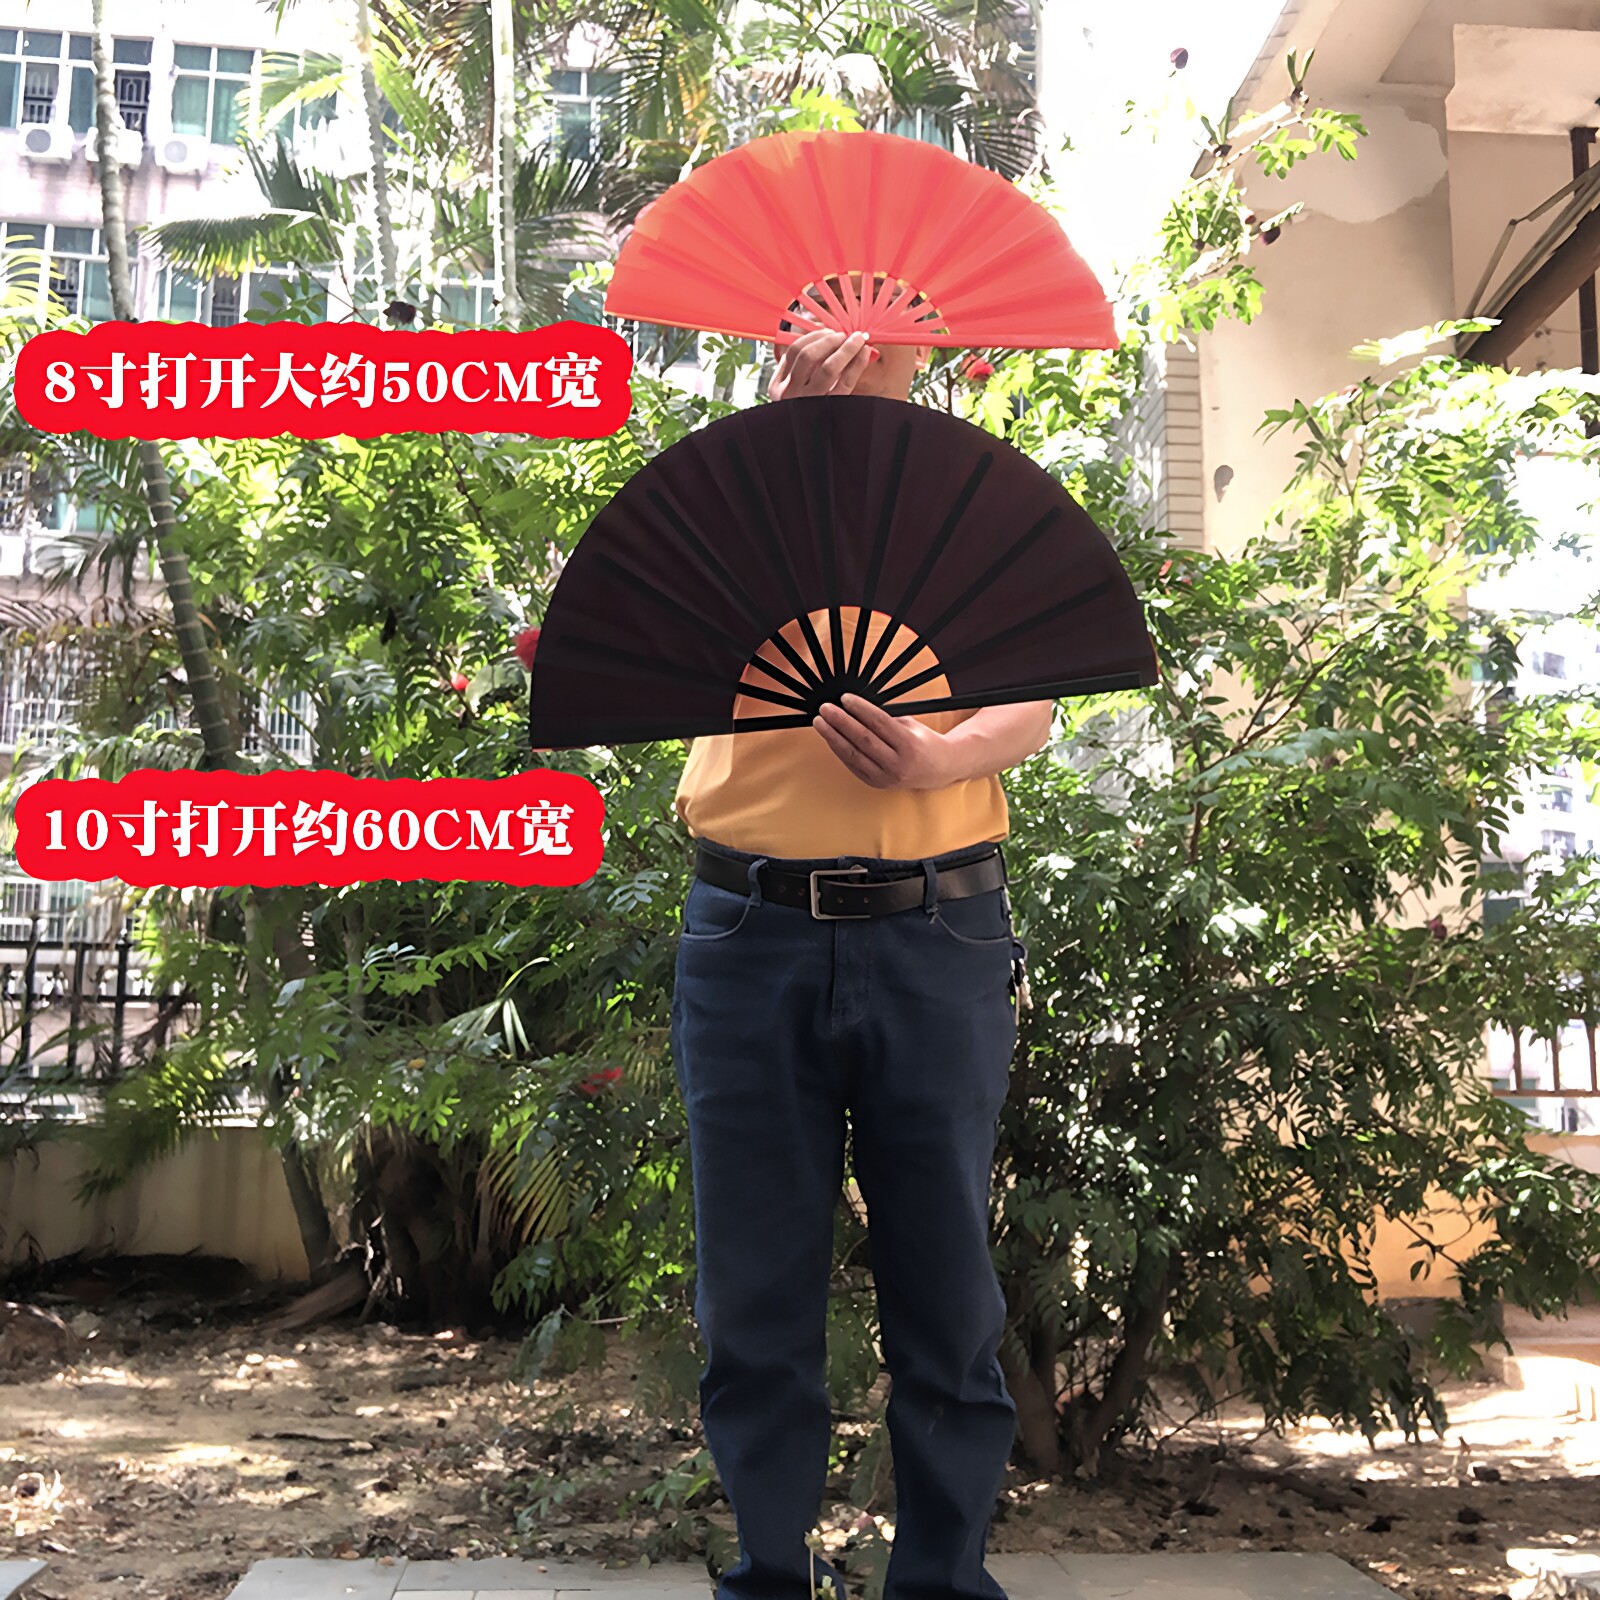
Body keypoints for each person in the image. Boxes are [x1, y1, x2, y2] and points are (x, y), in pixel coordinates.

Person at [670, 312, 1052, 1600]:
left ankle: (942, 1580)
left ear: (930, 337)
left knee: (946, 1285)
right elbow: (653, 634)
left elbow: (1038, 692)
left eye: (885, 307)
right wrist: (784, 440)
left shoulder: (975, 500)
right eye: (820, 304)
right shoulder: (723, 494)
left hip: (939, 926)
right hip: (747, 925)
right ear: (777, 329)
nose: (854, 332)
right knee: (752, 1290)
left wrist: (943, 756)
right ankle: (767, 1573)